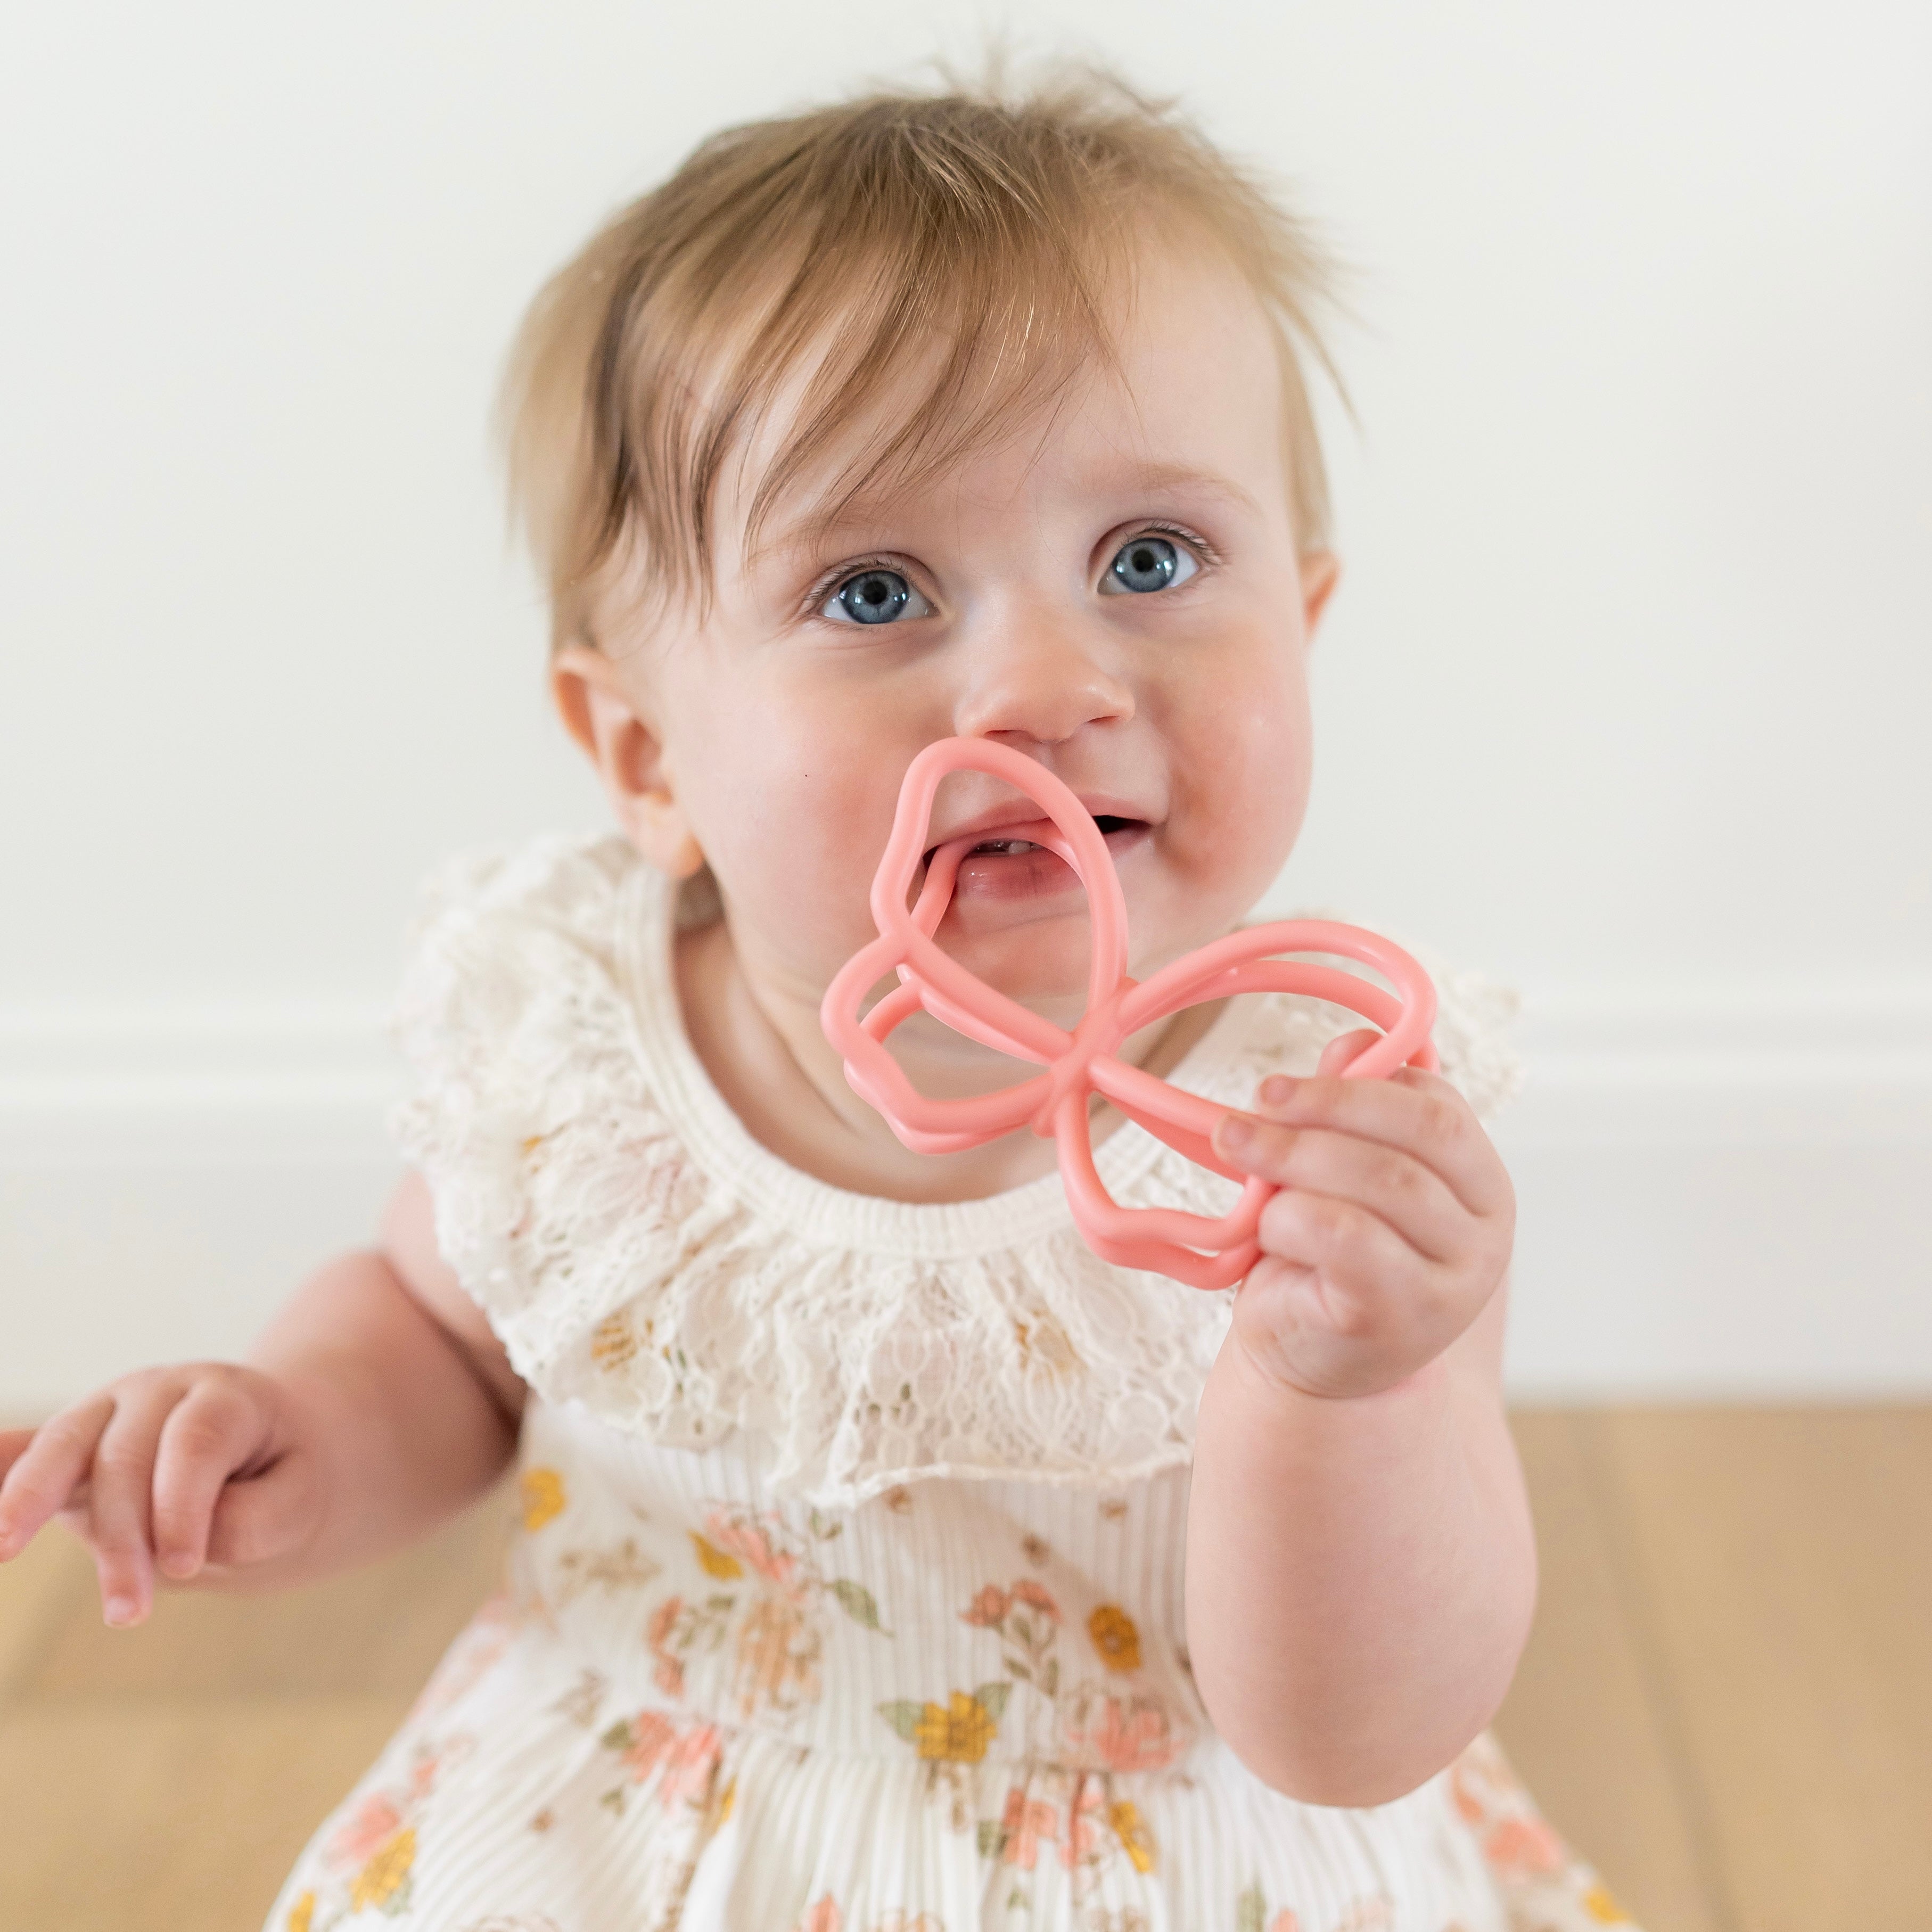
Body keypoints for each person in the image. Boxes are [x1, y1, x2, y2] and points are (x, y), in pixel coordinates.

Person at [0, 69, 1636, 1932]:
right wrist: (290, 1428)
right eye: (874, 591)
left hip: (1172, 1851)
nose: (1041, 683)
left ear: (1309, 621)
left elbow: (1354, 1736)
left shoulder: (1333, 1152)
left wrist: (1345, 1388)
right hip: (629, 1834)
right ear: (647, 759)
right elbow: (442, 1343)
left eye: (1152, 561)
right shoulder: (585, 1058)